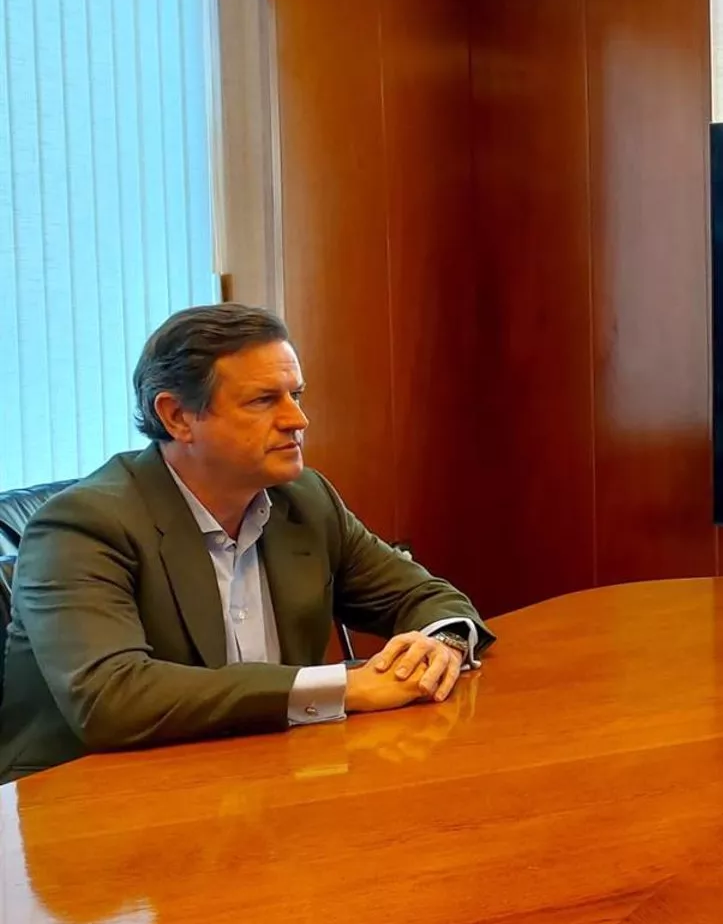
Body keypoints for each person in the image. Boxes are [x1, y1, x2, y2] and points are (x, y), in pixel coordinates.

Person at [0, 304, 493, 784]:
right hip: (92, 800)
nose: (297, 419)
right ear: (177, 416)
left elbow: (423, 596)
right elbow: (111, 697)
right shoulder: (81, 526)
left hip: (264, 780)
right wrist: (345, 686)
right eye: (263, 401)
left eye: (296, 395)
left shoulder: (304, 500)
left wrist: (441, 645)